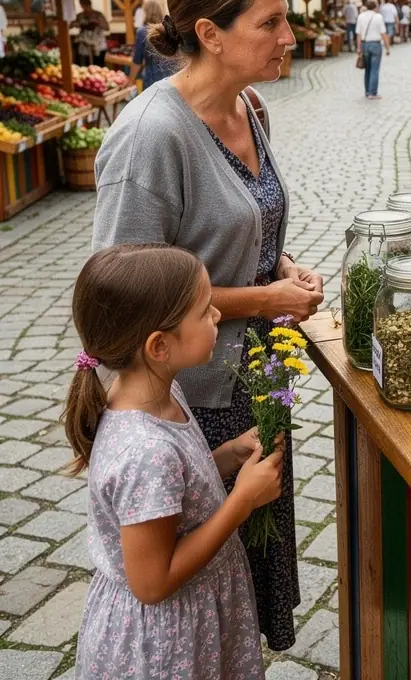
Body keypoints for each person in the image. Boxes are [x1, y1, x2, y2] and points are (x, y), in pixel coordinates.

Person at [93, 0, 324, 651]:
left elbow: (247, 220)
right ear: (210, 33)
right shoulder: (150, 136)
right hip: (194, 393)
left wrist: (281, 265)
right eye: (271, 22)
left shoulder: (250, 107)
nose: (290, 37)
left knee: (247, 579)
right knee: (201, 588)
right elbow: (125, 294)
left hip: (257, 376)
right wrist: (263, 298)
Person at [66, 244, 282, 680]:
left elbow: (182, 487)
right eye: (204, 312)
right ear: (159, 346)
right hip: (166, 641)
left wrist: (229, 456)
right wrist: (242, 501)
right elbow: (153, 583)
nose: (217, 316)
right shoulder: (146, 451)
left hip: (194, 615)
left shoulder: (159, 394)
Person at [128, 0, 175, 90]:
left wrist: (130, 80)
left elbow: (137, 61)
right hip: (172, 78)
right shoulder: (169, 29)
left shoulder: (142, 32)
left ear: (145, 12)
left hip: (152, 79)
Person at [356, 0, 390, 99]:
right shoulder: (378, 17)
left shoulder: (361, 16)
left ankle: (367, 91)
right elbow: (383, 33)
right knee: (375, 69)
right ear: (376, 6)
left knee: (367, 69)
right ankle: (373, 92)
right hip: (375, 44)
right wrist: (388, 47)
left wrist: (358, 47)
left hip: (364, 44)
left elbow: (358, 34)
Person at [73, 0, 109, 66]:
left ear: (89, 5)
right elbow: (71, 25)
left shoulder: (98, 15)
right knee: (86, 64)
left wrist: (98, 22)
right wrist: (79, 24)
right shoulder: (80, 16)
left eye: (84, 5)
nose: (83, 8)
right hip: (85, 44)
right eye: (82, 6)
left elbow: (107, 27)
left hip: (98, 44)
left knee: (99, 64)